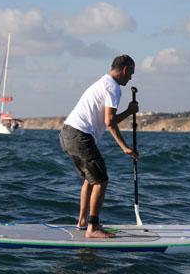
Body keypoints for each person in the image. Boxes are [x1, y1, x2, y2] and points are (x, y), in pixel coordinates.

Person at [59, 54, 138, 238]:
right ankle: (92, 228)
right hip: (79, 136)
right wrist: (125, 146)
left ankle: (82, 222)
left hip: (66, 134)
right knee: (101, 180)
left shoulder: (102, 82)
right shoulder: (113, 88)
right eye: (131, 73)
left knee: (91, 178)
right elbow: (109, 122)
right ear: (124, 70)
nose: (131, 78)